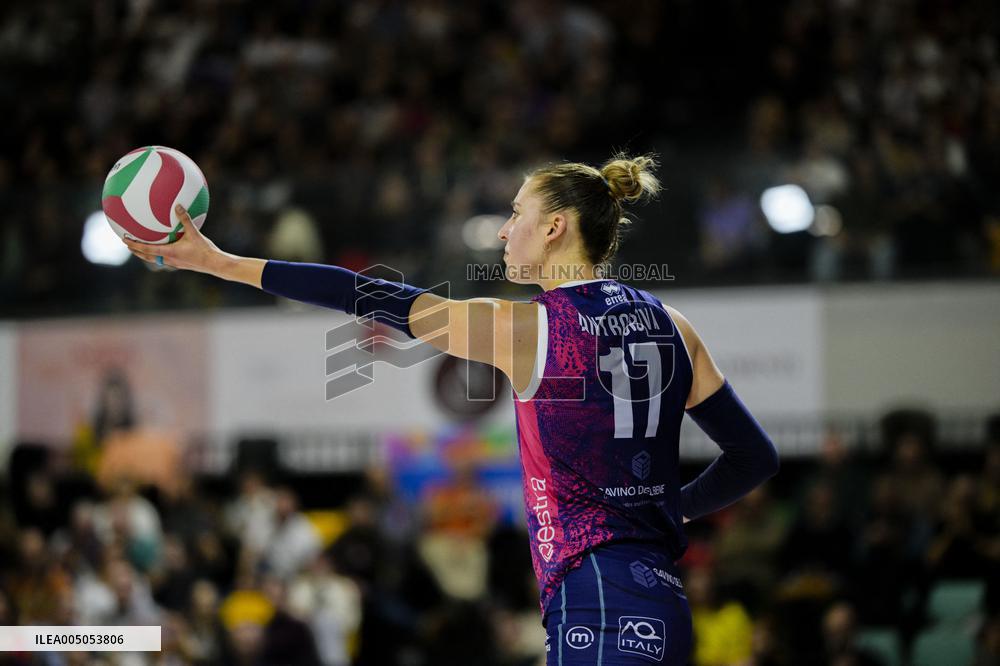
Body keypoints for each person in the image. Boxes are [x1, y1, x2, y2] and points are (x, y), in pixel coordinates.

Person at [124, 153, 779, 665]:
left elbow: (367, 294)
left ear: (555, 228)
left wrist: (222, 264)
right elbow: (754, 456)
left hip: (596, 593)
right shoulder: (675, 324)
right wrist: (669, 506)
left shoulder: (531, 328)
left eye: (516, 212)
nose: (504, 229)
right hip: (664, 600)